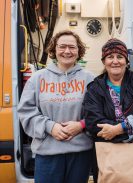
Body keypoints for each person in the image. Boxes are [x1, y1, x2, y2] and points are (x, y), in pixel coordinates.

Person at [17, 30, 94, 183]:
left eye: (72, 47)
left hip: (80, 154)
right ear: (54, 49)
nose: (67, 51)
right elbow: (26, 112)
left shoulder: (90, 79)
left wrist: (80, 125)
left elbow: (99, 112)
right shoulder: (37, 79)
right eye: (62, 46)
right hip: (47, 154)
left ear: (79, 50)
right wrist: (50, 127)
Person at [83, 38, 133, 182]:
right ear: (103, 61)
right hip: (109, 159)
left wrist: (118, 129)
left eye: (120, 57)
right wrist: (132, 132)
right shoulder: (94, 88)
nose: (115, 61)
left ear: (126, 61)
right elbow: (93, 122)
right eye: (110, 57)